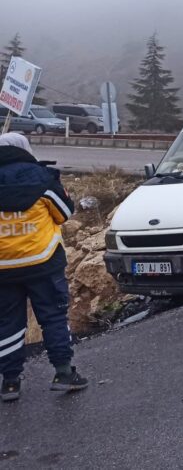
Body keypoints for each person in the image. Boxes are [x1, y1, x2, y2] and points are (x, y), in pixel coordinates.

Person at [0, 132, 87, 402]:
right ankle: (63, 372)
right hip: (43, 261)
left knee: (8, 323)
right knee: (52, 317)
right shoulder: (43, 177)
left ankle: (10, 382)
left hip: (3, 266)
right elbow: (64, 213)